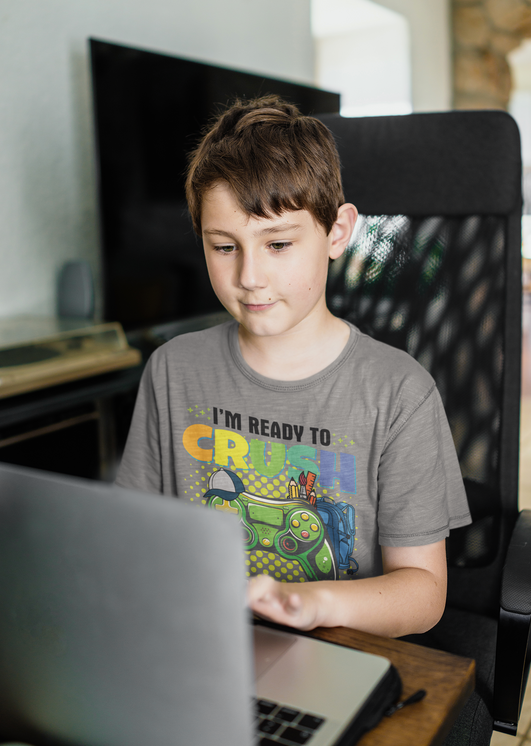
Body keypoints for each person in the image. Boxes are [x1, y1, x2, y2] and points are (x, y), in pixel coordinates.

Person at [116, 95, 471, 638]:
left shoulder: (400, 393)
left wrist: (311, 605)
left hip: (338, 650)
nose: (250, 276)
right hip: (201, 642)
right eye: (224, 247)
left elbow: (423, 592)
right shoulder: (171, 370)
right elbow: (133, 536)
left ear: (337, 231)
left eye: (278, 243)